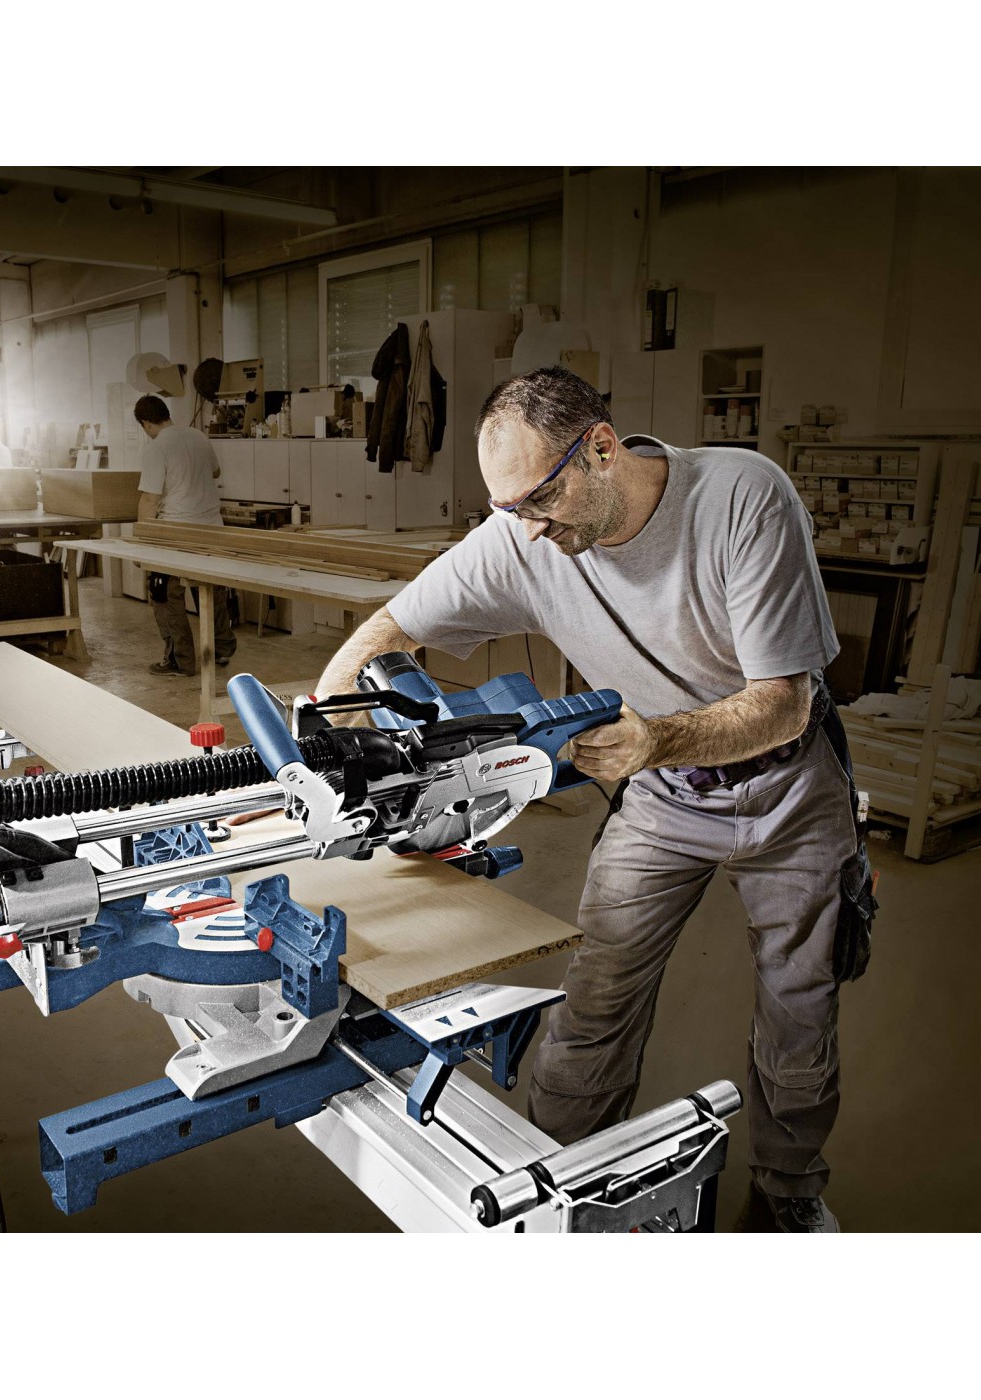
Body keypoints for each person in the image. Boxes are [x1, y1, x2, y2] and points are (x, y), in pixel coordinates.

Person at [314, 365, 855, 1232]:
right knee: (595, 997)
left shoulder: (742, 498)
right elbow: (393, 625)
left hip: (788, 789)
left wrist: (656, 740)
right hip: (662, 797)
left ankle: (789, 1192)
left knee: (800, 1012)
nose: (528, 529)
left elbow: (783, 705)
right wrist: (324, 725)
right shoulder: (523, 532)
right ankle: (558, 1185)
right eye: (508, 510)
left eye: (540, 499)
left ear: (602, 448)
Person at [133, 394, 236, 677]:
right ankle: (222, 649)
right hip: (212, 528)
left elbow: (150, 499)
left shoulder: (156, 448)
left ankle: (181, 660)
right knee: (210, 589)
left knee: (165, 593)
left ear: (145, 423)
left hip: (176, 532)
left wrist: (142, 543)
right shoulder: (198, 436)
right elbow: (215, 471)